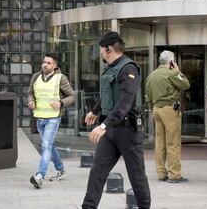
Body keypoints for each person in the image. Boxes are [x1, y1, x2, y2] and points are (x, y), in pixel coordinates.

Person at [82, 32, 151, 209]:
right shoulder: (111, 68)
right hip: (111, 131)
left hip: (128, 131)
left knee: (137, 176)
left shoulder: (129, 68)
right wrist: (95, 111)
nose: (101, 55)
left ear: (109, 48)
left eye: (102, 51)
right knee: (97, 171)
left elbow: (125, 102)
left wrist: (103, 125)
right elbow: (108, 95)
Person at [28, 53, 75, 189]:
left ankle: (39, 176)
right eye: (44, 62)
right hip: (39, 117)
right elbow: (30, 92)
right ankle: (61, 170)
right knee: (50, 145)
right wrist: (31, 101)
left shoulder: (61, 78)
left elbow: (72, 96)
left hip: (53, 118)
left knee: (46, 145)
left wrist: (61, 103)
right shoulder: (36, 77)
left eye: (48, 63)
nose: (44, 65)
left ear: (55, 66)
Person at [146, 50, 190, 183]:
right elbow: (186, 84)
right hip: (169, 110)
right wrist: (177, 71)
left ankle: (161, 173)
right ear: (171, 61)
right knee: (173, 142)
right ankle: (175, 174)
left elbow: (148, 95)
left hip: (156, 109)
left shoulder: (151, 75)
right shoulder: (171, 73)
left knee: (160, 143)